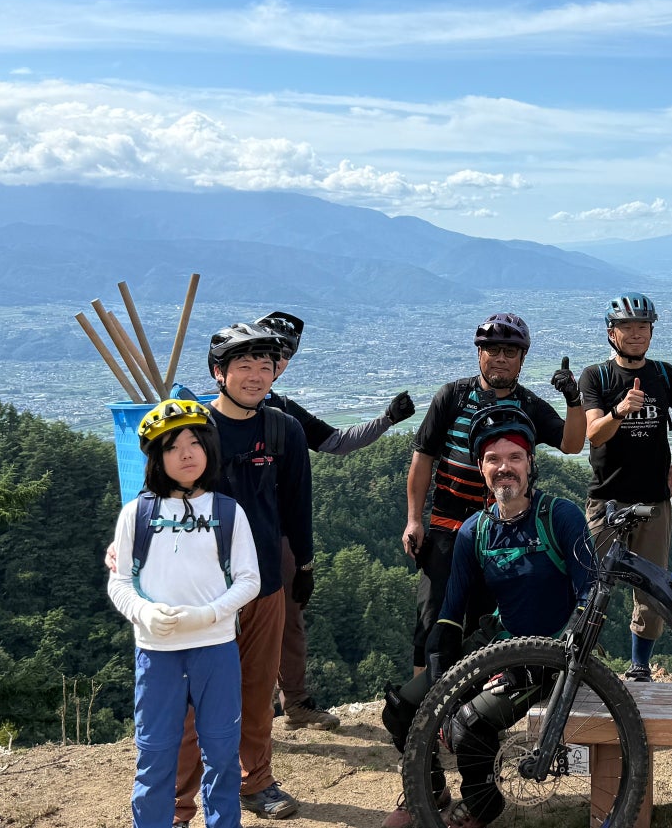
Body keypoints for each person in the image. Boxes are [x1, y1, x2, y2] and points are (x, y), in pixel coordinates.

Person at [108, 324, 311, 821]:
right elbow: (155, 489)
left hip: (260, 581)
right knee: (188, 706)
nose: (256, 376)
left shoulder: (283, 429)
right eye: (244, 365)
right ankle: (178, 802)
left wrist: (303, 564)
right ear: (218, 372)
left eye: (266, 366)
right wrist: (120, 546)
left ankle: (255, 782)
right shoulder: (197, 431)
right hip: (193, 590)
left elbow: (296, 505)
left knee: (257, 689)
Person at [381, 409, 594, 828]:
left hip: (554, 652)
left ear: (530, 463)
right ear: (481, 468)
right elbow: (450, 615)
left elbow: (591, 596)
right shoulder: (474, 530)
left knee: (471, 724)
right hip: (498, 644)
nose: (504, 468)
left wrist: (555, 655)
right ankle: (427, 787)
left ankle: (483, 804)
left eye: (514, 458)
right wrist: (442, 684)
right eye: (493, 459)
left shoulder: (560, 516)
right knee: (400, 709)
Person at [252, 310, 417, 733]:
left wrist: (387, 420)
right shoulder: (214, 412)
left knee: (289, 620)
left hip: (281, 533)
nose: (277, 362)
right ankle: (237, 714)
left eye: (283, 355)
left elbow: (335, 443)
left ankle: (296, 703)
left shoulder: (283, 410)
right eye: (268, 352)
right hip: (230, 535)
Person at [107, 398, 262, 828]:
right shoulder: (136, 514)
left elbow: (249, 581)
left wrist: (209, 615)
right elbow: (119, 582)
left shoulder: (228, 511)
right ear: (156, 458)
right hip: (156, 652)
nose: (187, 453)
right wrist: (143, 613)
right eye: (172, 446)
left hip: (215, 648)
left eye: (196, 442)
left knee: (222, 754)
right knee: (155, 755)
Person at [402, 312, 586, 672]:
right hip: (447, 525)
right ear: (479, 354)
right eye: (492, 349)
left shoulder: (529, 406)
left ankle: (470, 714)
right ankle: (422, 717)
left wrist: (573, 399)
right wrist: (413, 519)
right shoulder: (452, 397)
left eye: (509, 351)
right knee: (432, 620)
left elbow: (572, 443)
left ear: (521, 359)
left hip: (497, 531)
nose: (500, 357)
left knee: (483, 624)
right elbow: (422, 460)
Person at [577, 292, 672, 681]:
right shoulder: (596, 376)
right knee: (586, 581)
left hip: (654, 500)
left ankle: (640, 666)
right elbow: (593, 435)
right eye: (626, 327)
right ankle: (573, 659)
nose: (636, 334)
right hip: (607, 499)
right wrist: (620, 410)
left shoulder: (664, 374)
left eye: (642, 326)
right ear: (611, 333)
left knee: (650, 588)